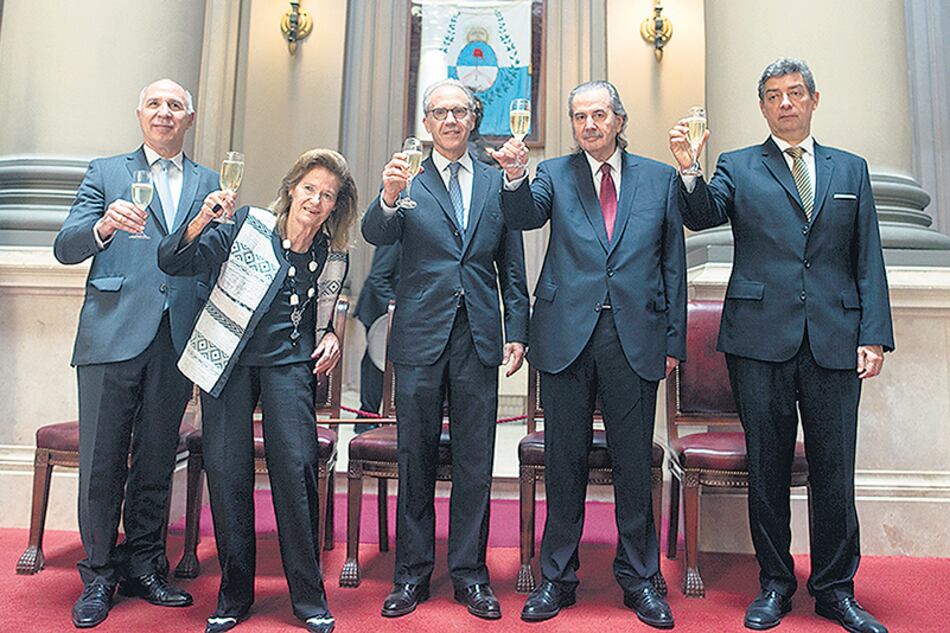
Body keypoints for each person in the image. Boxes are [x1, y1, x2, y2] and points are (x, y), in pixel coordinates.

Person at [668, 57, 893, 633]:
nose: (785, 103)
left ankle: (836, 590)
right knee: (767, 468)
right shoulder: (738, 166)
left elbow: (867, 256)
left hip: (835, 339)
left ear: (815, 100)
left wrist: (874, 335)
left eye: (796, 93)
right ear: (763, 106)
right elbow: (700, 215)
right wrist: (690, 169)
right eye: (773, 95)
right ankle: (774, 584)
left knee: (834, 471)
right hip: (758, 341)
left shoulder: (851, 169)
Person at [494, 80, 685, 630]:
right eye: (579, 118)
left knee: (632, 464)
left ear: (619, 120)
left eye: (599, 115)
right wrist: (513, 176)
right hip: (565, 335)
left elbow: (672, 264)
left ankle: (641, 578)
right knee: (564, 462)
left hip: (636, 337)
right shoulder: (553, 173)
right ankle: (557, 576)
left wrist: (673, 340)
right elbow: (524, 216)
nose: (589, 126)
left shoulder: (660, 178)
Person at [53, 78, 231, 629]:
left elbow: (216, 257)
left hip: (175, 338)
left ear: (189, 119)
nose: (164, 112)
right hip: (111, 336)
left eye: (175, 105)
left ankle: (146, 565)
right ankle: (100, 574)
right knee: (102, 463)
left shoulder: (211, 183)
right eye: (155, 103)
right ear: (139, 114)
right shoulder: (106, 172)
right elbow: (66, 246)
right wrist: (104, 225)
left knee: (156, 460)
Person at [158, 149, 356, 633]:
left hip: (287, 366)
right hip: (228, 363)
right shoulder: (247, 224)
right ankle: (234, 596)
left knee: (297, 470)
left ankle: (309, 599)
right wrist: (204, 217)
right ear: (292, 188)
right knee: (228, 475)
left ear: (335, 207)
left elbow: (323, 316)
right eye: (309, 188)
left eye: (327, 195)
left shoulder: (331, 256)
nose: (315, 199)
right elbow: (173, 260)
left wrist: (330, 334)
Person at [362, 78, 529, 621]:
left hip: (479, 336)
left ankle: (470, 574)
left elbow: (512, 265)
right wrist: (387, 198)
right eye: (440, 112)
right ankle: (411, 575)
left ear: (473, 118)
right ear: (426, 122)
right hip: (419, 338)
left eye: (460, 111)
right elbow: (375, 234)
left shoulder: (495, 180)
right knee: (415, 458)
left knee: (475, 461)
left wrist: (517, 329)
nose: (451, 120)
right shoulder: (406, 180)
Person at [353, 242, 401, 431]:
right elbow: (377, 277)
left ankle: (370, 415)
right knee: (376, 364)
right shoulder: (395, 236)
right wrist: (397, 308)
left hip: (390, 311)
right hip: (378, 310)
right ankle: (366, 417)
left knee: (380, 364)